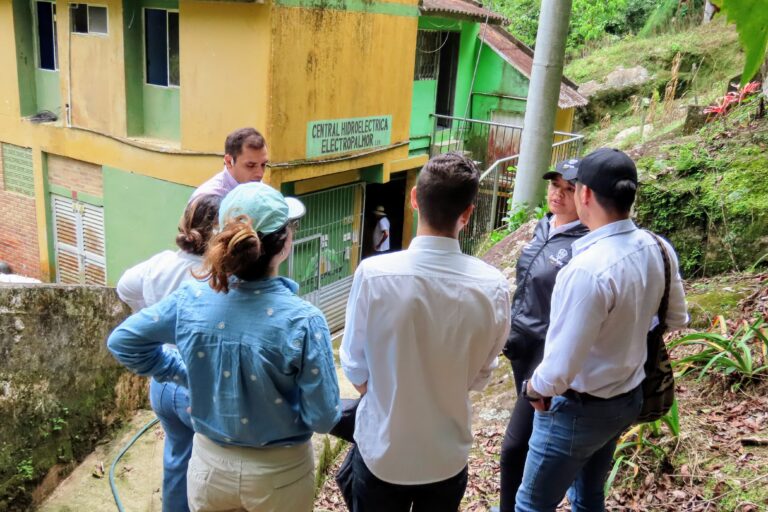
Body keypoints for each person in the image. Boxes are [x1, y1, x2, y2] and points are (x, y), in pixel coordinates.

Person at [108, 182, 341, 512]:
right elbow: (322, 418)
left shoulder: (190, 300)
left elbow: (124, 341)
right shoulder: (304, 321)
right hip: (281, 474)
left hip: (209, 469)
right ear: (285, 244)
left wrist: (183, 374)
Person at [515, 148, 688, 512]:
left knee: (531, 503)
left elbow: (559, 371)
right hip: (627, 397)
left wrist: (532, 389)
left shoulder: (586, 269)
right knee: (588, 495)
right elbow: (675, 319)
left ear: (586, 195)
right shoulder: (658, 247)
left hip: (579, 409)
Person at [339, 152, 511, 511]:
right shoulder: (493, 286)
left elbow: (354, 367)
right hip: (446, 457)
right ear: (468, 212)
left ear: (414, 198)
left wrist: (393, 390)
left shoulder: (373, 275)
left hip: (383, 453)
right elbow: (480, 374)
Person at [115, 194, 221, 512]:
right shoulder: (213, 276)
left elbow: (124, 287)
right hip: (196, 383)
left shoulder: (160, 264)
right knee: (211, 467)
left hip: (161, 381)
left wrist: (150, 314)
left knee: (177, 458)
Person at [497, 159, 589, 512]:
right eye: (555, 186)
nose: (558, 195)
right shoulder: (543, 226)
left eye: (569, 189)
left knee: (513, 446)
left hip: (547, 348)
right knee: (536, 433)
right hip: (522, 344)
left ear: (584, 195)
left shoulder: (584, 241)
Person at [189, 127, 269, 201]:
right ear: (229, 162)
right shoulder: (207, 199)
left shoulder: (258, 187)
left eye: (263, 165)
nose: (260, 174)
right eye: (250, 166)